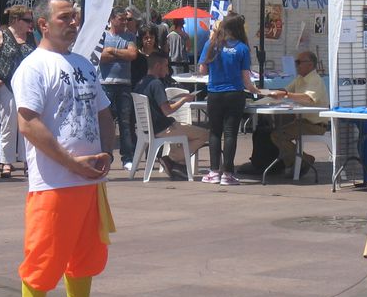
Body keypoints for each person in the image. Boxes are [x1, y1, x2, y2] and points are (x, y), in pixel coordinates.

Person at [10, 0, 118, 297]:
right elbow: (29, 123)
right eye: (65, 18)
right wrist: (71, 162)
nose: (74, 23)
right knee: (43, 258)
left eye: (75, 17)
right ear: (43, 24)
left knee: (86, 256)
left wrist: (107, 150)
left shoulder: (83, 64)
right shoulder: (33, 67)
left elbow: (103, 110)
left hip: (88, 182)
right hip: (54, 184)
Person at [198, 13, 260, 185]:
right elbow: (246, 79)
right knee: (231, 133)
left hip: (214, 93)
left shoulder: (211, 45)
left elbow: (202, 70)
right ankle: (228, 173)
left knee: (215, 132)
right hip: (235, 94)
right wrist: (257, 91)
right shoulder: (242, 48)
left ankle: (213, 172)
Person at [134, 51, 207, 179]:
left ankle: (178, 167)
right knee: (205, 134)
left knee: (186, 134)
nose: (168, 70)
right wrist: (184, 100)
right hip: (163, 128)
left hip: (148, 128)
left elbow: (157, 105)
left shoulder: (141, 83)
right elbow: (167, 110)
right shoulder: (156, 84)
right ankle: (170, 159)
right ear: (158, 66)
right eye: (166, 66)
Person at [0, 4, 36, 179]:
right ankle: (6, 162)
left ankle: (27, 161)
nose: (31, 24)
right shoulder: (1, 35)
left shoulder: (32, 37)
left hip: (28, 86)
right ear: (16, 20)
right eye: (28, 20)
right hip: (7, 85)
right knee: (8, 124)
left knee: (28, 124)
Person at [270, 50, 330, 172]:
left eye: (299, 62)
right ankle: (295, 164)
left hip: (315, 125)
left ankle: (302, 160)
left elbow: (307, 98)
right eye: (296, 62)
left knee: (277, 135)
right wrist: (268, 92)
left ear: (310, 65)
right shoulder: (299, 78)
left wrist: (286, 94)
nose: (296, 65)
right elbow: (285, 90)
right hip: (302, 122)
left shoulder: (315, 80)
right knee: (275, 133)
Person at [99, 8, 138, 170]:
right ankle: (105, 154)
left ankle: (127, 157)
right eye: (121, 19)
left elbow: (132, 55)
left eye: (126, 20)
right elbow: (101, 57)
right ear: (112, 19)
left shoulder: (130, 36)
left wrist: (113, 51)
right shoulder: (103, 36)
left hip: (124, 84)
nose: (125, 22)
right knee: (105, 122)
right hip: (105, 84)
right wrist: (119, 54)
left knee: (125, 122)